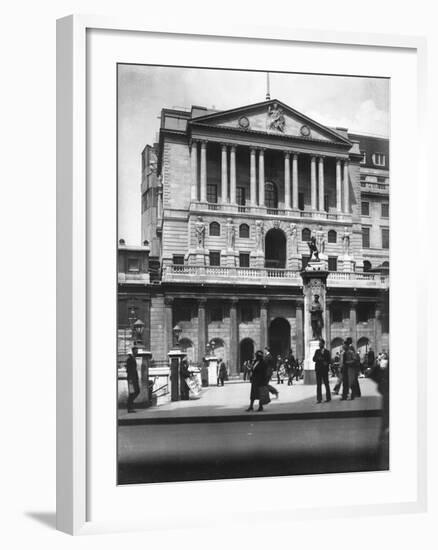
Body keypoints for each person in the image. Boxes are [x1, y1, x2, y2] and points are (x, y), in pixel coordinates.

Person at [313, 339, 331, 403]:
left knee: (326, 384)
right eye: (319, 343)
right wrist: (318, 358)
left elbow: (329, 361)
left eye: (320, 343)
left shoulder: (327, 352)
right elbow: (314, 359)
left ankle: (328, 398)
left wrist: (326, 363)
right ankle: (319, 399)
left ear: (323, 344)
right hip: (318, 370)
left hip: (325, 370)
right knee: (318, 385)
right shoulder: (317, 351)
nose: (319, 344)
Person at [126, 347, 140, 413]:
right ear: (133, 351)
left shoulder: (133, 358)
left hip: (135, 379)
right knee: (132, 393)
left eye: (137, 351)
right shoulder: (130, 359)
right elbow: (128, 370)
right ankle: (130, 408)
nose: (137, 352)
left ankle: (130, 405)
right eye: (136, 351)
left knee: (137, 391)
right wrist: (130, 379)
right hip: (131, 379)